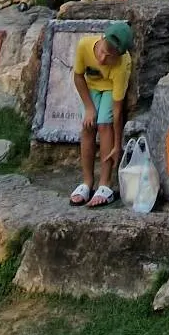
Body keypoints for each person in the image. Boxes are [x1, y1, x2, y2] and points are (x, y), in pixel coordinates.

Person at [69, 20, 133, 207]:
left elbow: (117, 110)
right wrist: (89, 108)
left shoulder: (121, 66)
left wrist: (117, 145)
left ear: (119, 56)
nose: (103, 59)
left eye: (110, 56)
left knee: (104, 124)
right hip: (91, 87)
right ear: (102, 38)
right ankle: (87, 181)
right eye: (102, 51)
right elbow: (78, 77)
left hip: (110, 88)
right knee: (88, 125)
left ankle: (105, 184)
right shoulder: (85, 46)